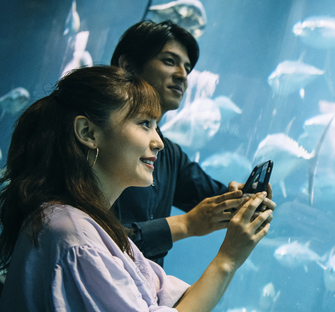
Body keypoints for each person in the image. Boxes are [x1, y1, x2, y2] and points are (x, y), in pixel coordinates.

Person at [0, 66, 273, 312]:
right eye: (144, 124)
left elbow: (156, 304)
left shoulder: (84, 223)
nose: (158, 140)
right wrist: (228, 259)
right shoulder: (74, 237)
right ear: (88, 132)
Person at [110, 20, 273, 266]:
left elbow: (214, 199)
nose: (183, 75)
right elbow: (93, 243)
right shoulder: (100, 138)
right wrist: (186, 224)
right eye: (169, 61)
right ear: (128, 66)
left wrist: (245, 200)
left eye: (187, 68)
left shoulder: (170, 154)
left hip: (143, 298)